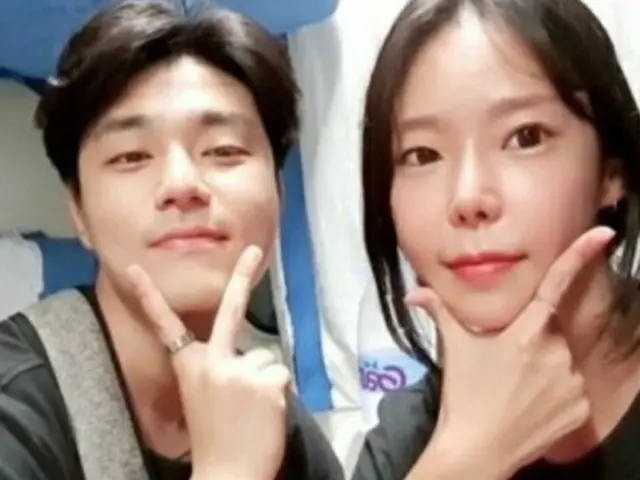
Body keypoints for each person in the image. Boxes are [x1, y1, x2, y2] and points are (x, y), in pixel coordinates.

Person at [0, 1, 344, 479]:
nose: (182, 184)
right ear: (79, 212)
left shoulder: (268, 411)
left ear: (279, 196)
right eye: (131, 156)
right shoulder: (15, 408)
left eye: (224, 150)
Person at [353, 0, 640, 478]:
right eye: (423, 154)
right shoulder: (408, 444)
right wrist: (470, 457)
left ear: (613, 173)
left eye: (526, 137)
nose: (468, 197)